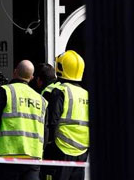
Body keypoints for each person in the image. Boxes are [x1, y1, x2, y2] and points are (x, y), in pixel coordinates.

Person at [0, 60, 47, 180]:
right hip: (33, 158)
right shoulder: (41, 100)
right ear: (31, 77)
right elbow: (45, 130)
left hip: (7, 157)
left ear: (15, 72)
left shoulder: (4, 91)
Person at [40, 50, 89, 180]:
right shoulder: (86, 94)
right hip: (82, 151)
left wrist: (47, 146)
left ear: (62, 68)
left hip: (61, 150)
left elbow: (51, 122)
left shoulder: (60, 91)